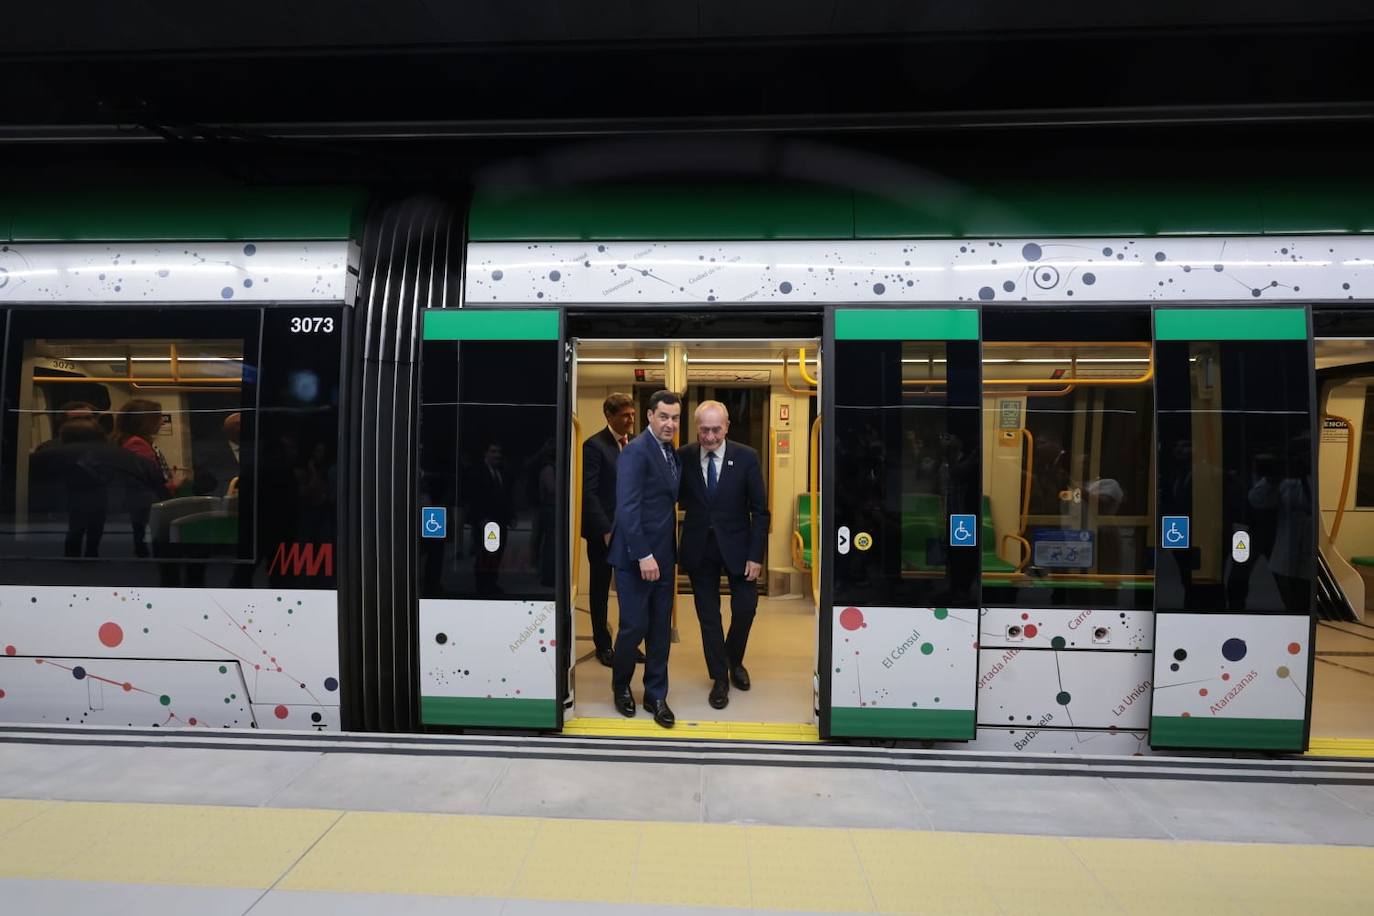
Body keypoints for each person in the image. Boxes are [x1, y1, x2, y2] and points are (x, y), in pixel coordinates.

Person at [677, 400, 769, 710]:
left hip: (740, 549)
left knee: (745, 608)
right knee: (708, 617)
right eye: (704, 430)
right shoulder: (684, 457)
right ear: (696, 428)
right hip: (699, 549)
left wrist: (756, 556)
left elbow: (760, 511)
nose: (711, 437)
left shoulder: (746, 457)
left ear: (727, 426)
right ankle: (720, 677)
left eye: (716, 429)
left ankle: (734, 659)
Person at [607, 389, 682, 728]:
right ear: (650, 415)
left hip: (664, 558)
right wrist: (644, 555)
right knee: (633, 627)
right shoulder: (636, 451)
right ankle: (621, 685)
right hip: (637, 557)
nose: (670, 423)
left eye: (675, 418)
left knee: (660, 631)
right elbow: (628, 508)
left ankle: (655, 693)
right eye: (663, 416)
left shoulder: (671, 452)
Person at [582, 392, 636, 666]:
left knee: (630, 589)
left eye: (632, 414)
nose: (631, 419)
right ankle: (603, 644)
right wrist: (604, 530)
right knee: (601, 589)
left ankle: (629, 642)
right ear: (609, 416)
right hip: (603, 533)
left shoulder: (634, 445)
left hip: (631, 532)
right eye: (625, 415)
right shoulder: (595, 446)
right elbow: (589, 493)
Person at [115, 399, 189, 557]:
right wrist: (174, 484)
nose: (162, 422)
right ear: (145, 421)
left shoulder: (134, 440)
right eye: (158, 417)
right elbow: (146, 481)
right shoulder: (137, 444)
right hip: (148, 502)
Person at [465, 442, 513, 595]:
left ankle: (492, 583)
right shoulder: (478, 472)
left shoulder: (501, 472)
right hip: (485, 521)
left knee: (497, 554)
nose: (497, 455)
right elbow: (473, 498)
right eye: (493, 452)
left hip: (500, 521)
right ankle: (482, 587)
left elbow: (505, 496)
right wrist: (480, 519)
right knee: (484, 555)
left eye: (498, 452)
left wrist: (511, 516)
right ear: (485, 453)